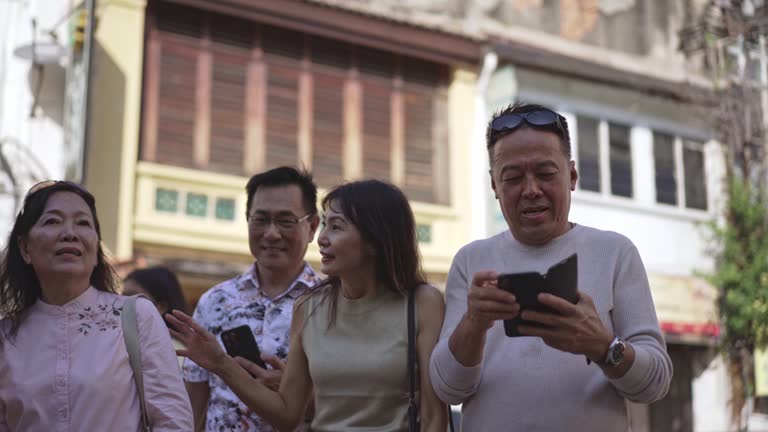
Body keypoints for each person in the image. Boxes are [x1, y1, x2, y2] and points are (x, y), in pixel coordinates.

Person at [429, 103, 673, 431]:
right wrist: (474, 323)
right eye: (513, 178)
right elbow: (448, 389)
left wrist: (603, 346)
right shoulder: (470, 261)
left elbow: (655, 385)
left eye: (545, 174)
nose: (531, 190)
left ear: (571, 176)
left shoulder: (615, 252)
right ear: (494, 187)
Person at [168, 180, 448, 432]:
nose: (322, 238)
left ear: (375, 240)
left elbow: (434, 417)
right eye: (325, 224)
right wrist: (220, 363)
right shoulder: (310, 306)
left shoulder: (422, 302)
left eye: (336, 227)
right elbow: (287, 414)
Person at [0, 180, 192, 431]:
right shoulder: (6, 335)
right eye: (52, 221)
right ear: (25, 248)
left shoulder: (135, 316)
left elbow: (174, 422)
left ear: (95, 248)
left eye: (83, 223)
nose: (70, 233)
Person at [183, 167, 322, 431]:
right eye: (260, 220)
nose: (272, 233)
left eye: (285, 221)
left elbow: (351, 403)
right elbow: (194, 401)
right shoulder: (215, 301)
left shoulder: (332, 302)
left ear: (312, 226)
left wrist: (299, 394)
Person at [124, 266, 191, 365]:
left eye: (132, 296)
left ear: (160, 306)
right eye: (122, 296)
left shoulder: (173, 352)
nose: (123, 303)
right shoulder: (124, 344)